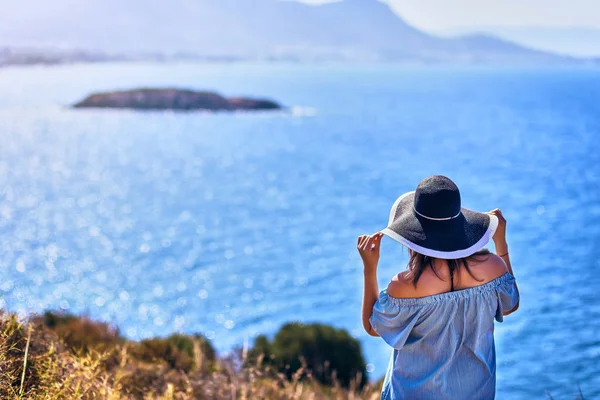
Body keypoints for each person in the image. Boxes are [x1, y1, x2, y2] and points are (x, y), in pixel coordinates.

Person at [358, 175, 519, 400]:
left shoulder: (405, 286)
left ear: (413, 232)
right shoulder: (493, 267)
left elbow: (373, 327)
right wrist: (501, 244)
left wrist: (369, 269)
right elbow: (510, 304)